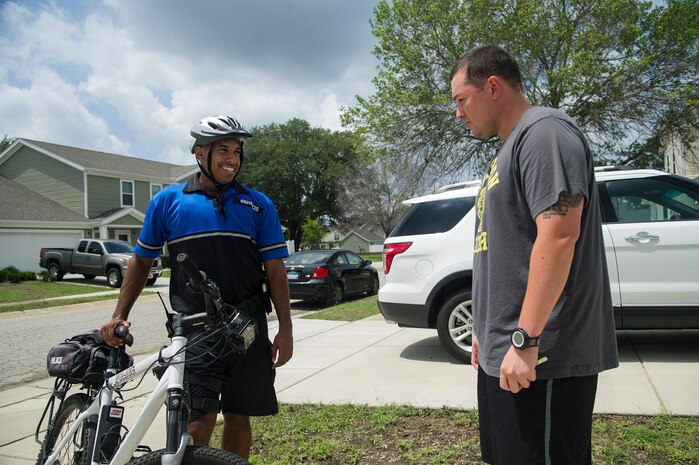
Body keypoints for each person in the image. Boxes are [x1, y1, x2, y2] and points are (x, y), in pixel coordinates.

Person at [450, 45, 619, 464]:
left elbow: (559, 235)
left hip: (542, 358)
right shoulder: (508, 150)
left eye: (460, 100)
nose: (458, 114)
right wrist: (487, 334)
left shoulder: (544, 132)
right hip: (506, 351)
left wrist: (525, 340)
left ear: (492, 87)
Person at [100, 115, 293, 460]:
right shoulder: (168, 202)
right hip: (195, 328)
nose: (232, 159)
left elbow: (275, 268)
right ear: (199, 153)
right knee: (196, 421)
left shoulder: (258, 204)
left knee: (238, 416)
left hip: (247, 325)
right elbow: (141, 261)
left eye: (237, 151)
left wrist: (286, 330)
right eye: (223, 150)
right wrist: (120, 315)